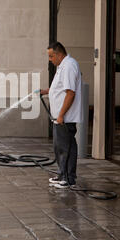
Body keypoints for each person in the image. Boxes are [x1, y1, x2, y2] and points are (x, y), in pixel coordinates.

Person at [40, 42, 83, 189]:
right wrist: (46, 91)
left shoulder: (69, 65)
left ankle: (68, 178)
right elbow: (60, 88)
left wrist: (61, 115)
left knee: (66, 148)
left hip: (65, 117)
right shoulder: (62, 66)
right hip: (59, 117)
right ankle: (61, 174)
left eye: (51, 56)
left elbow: (70, 93)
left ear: (59, 54)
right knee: (59, 147)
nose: (50, 59)